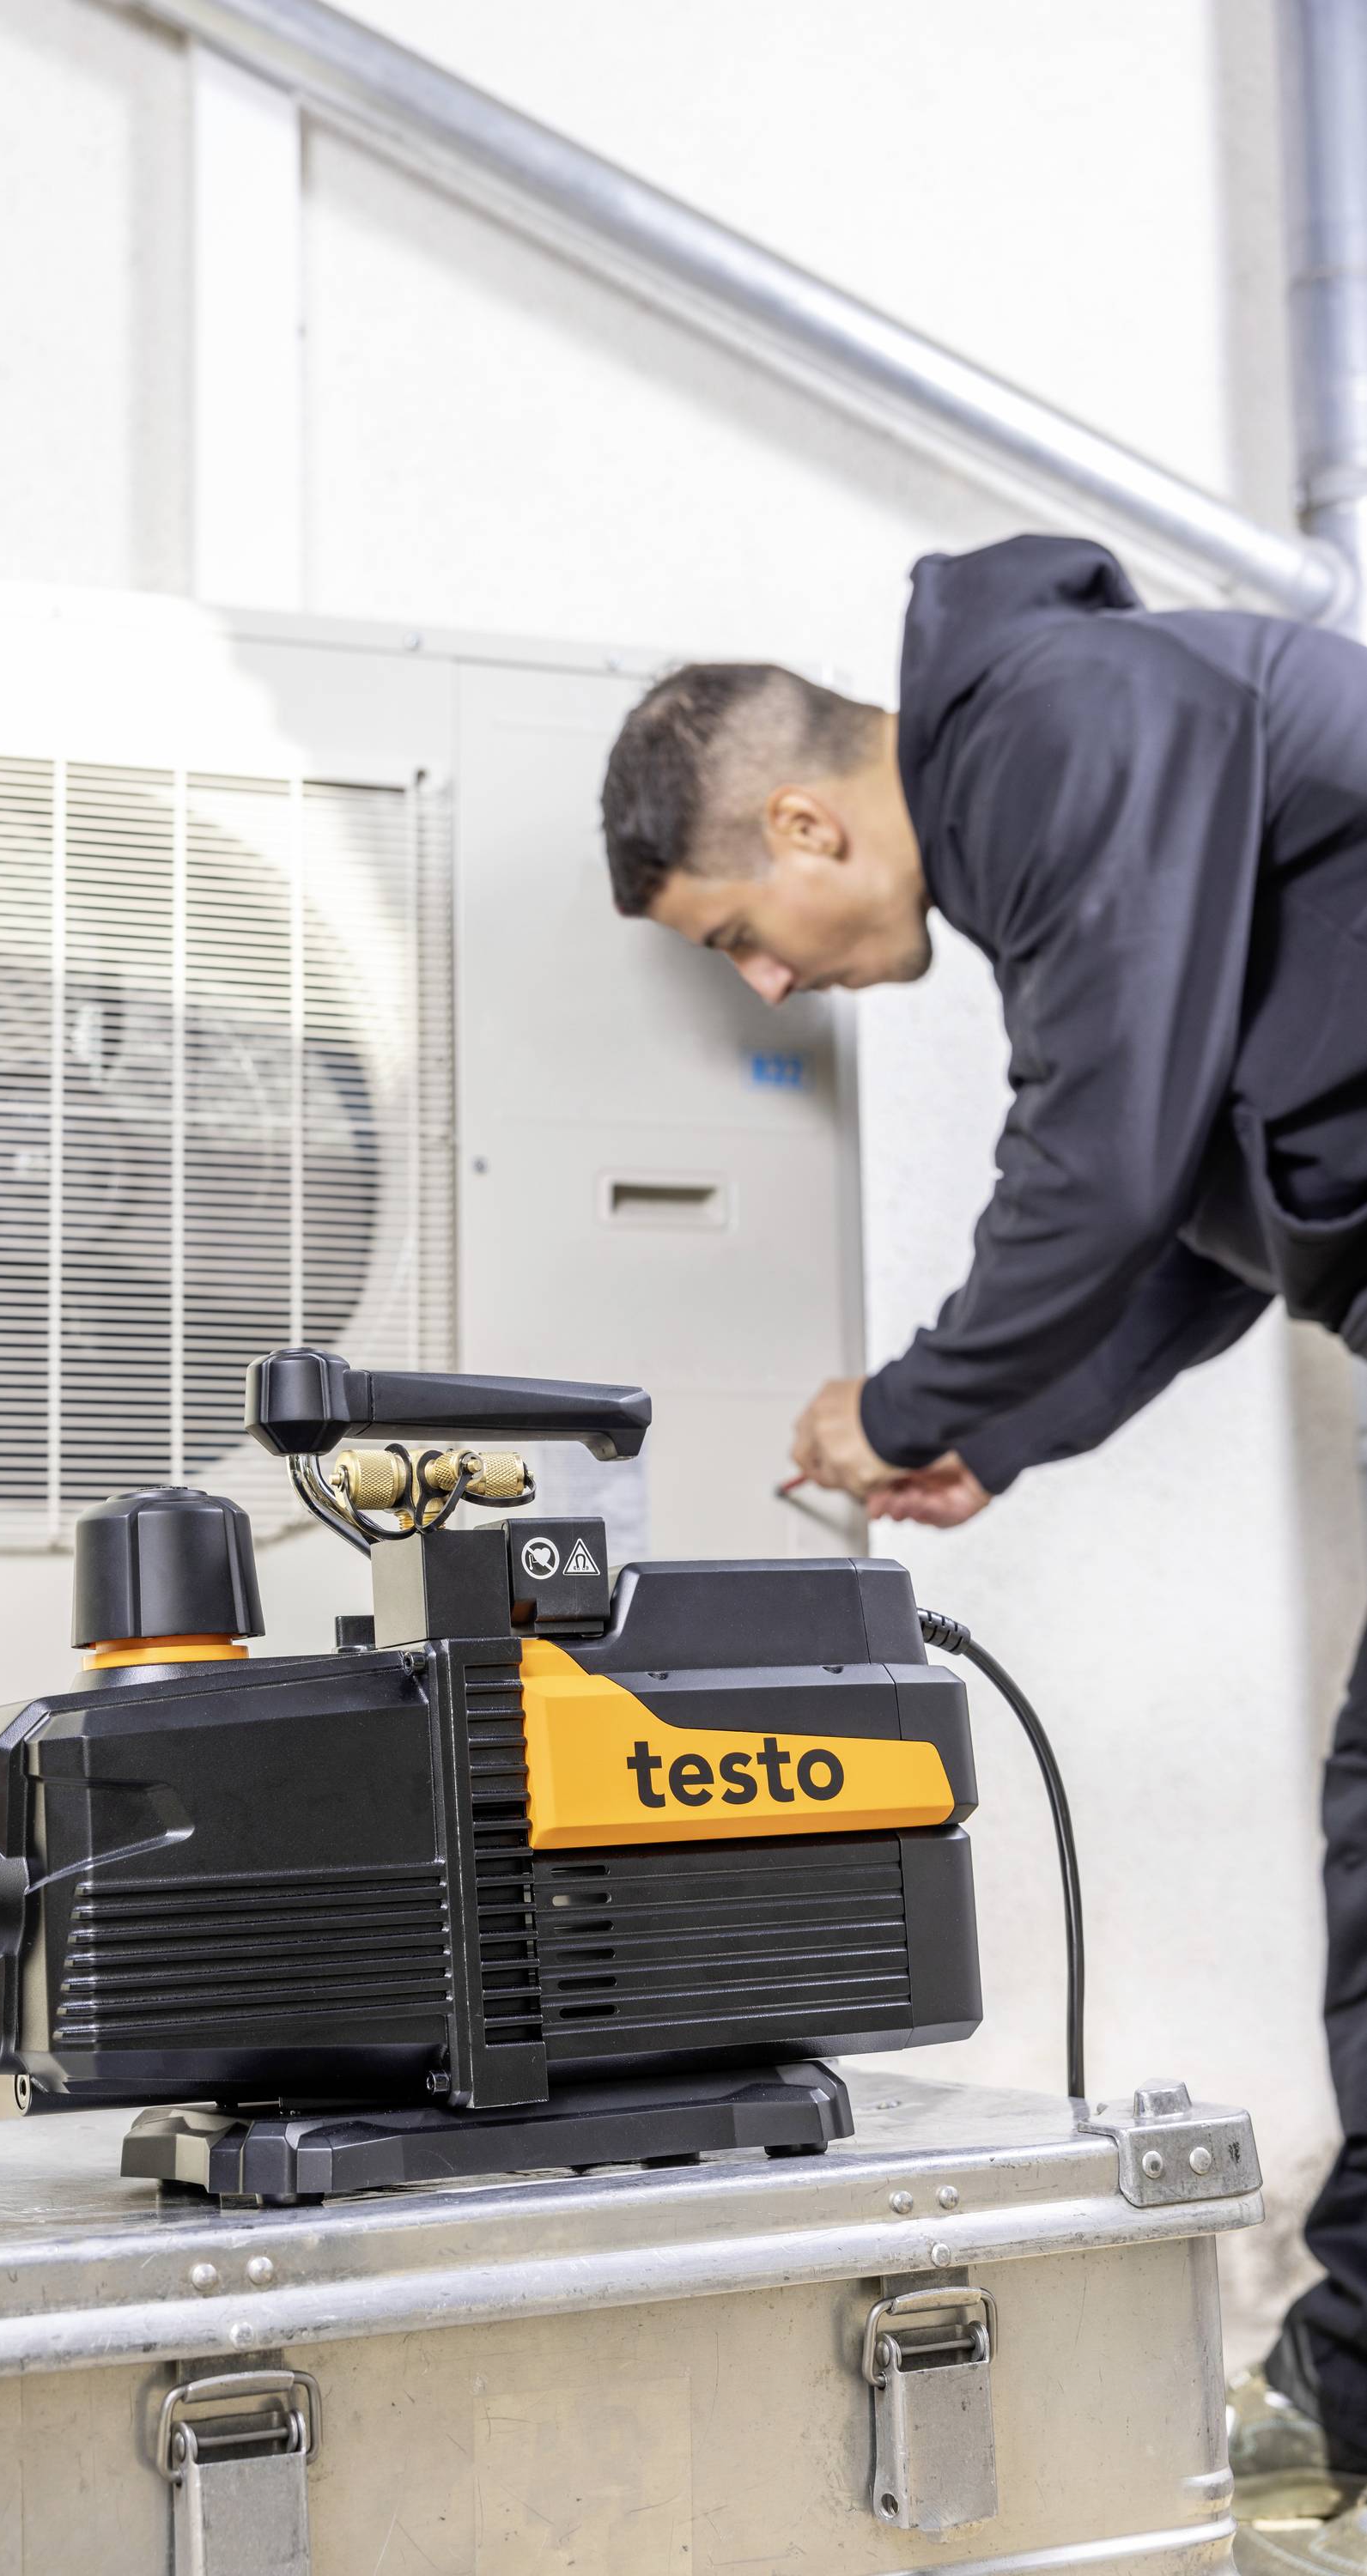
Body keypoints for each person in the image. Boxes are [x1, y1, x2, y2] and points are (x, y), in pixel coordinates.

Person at [599, 534, 1367, 2561]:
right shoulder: (1084, 771)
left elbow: (1102, 1147)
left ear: (800, 817)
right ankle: (1353, 2392)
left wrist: (914, 1398)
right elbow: (1207, 1226)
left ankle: (1352, 2406)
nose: (759, 984)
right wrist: (999, 1431)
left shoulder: (1047, 724)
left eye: (733, 936)